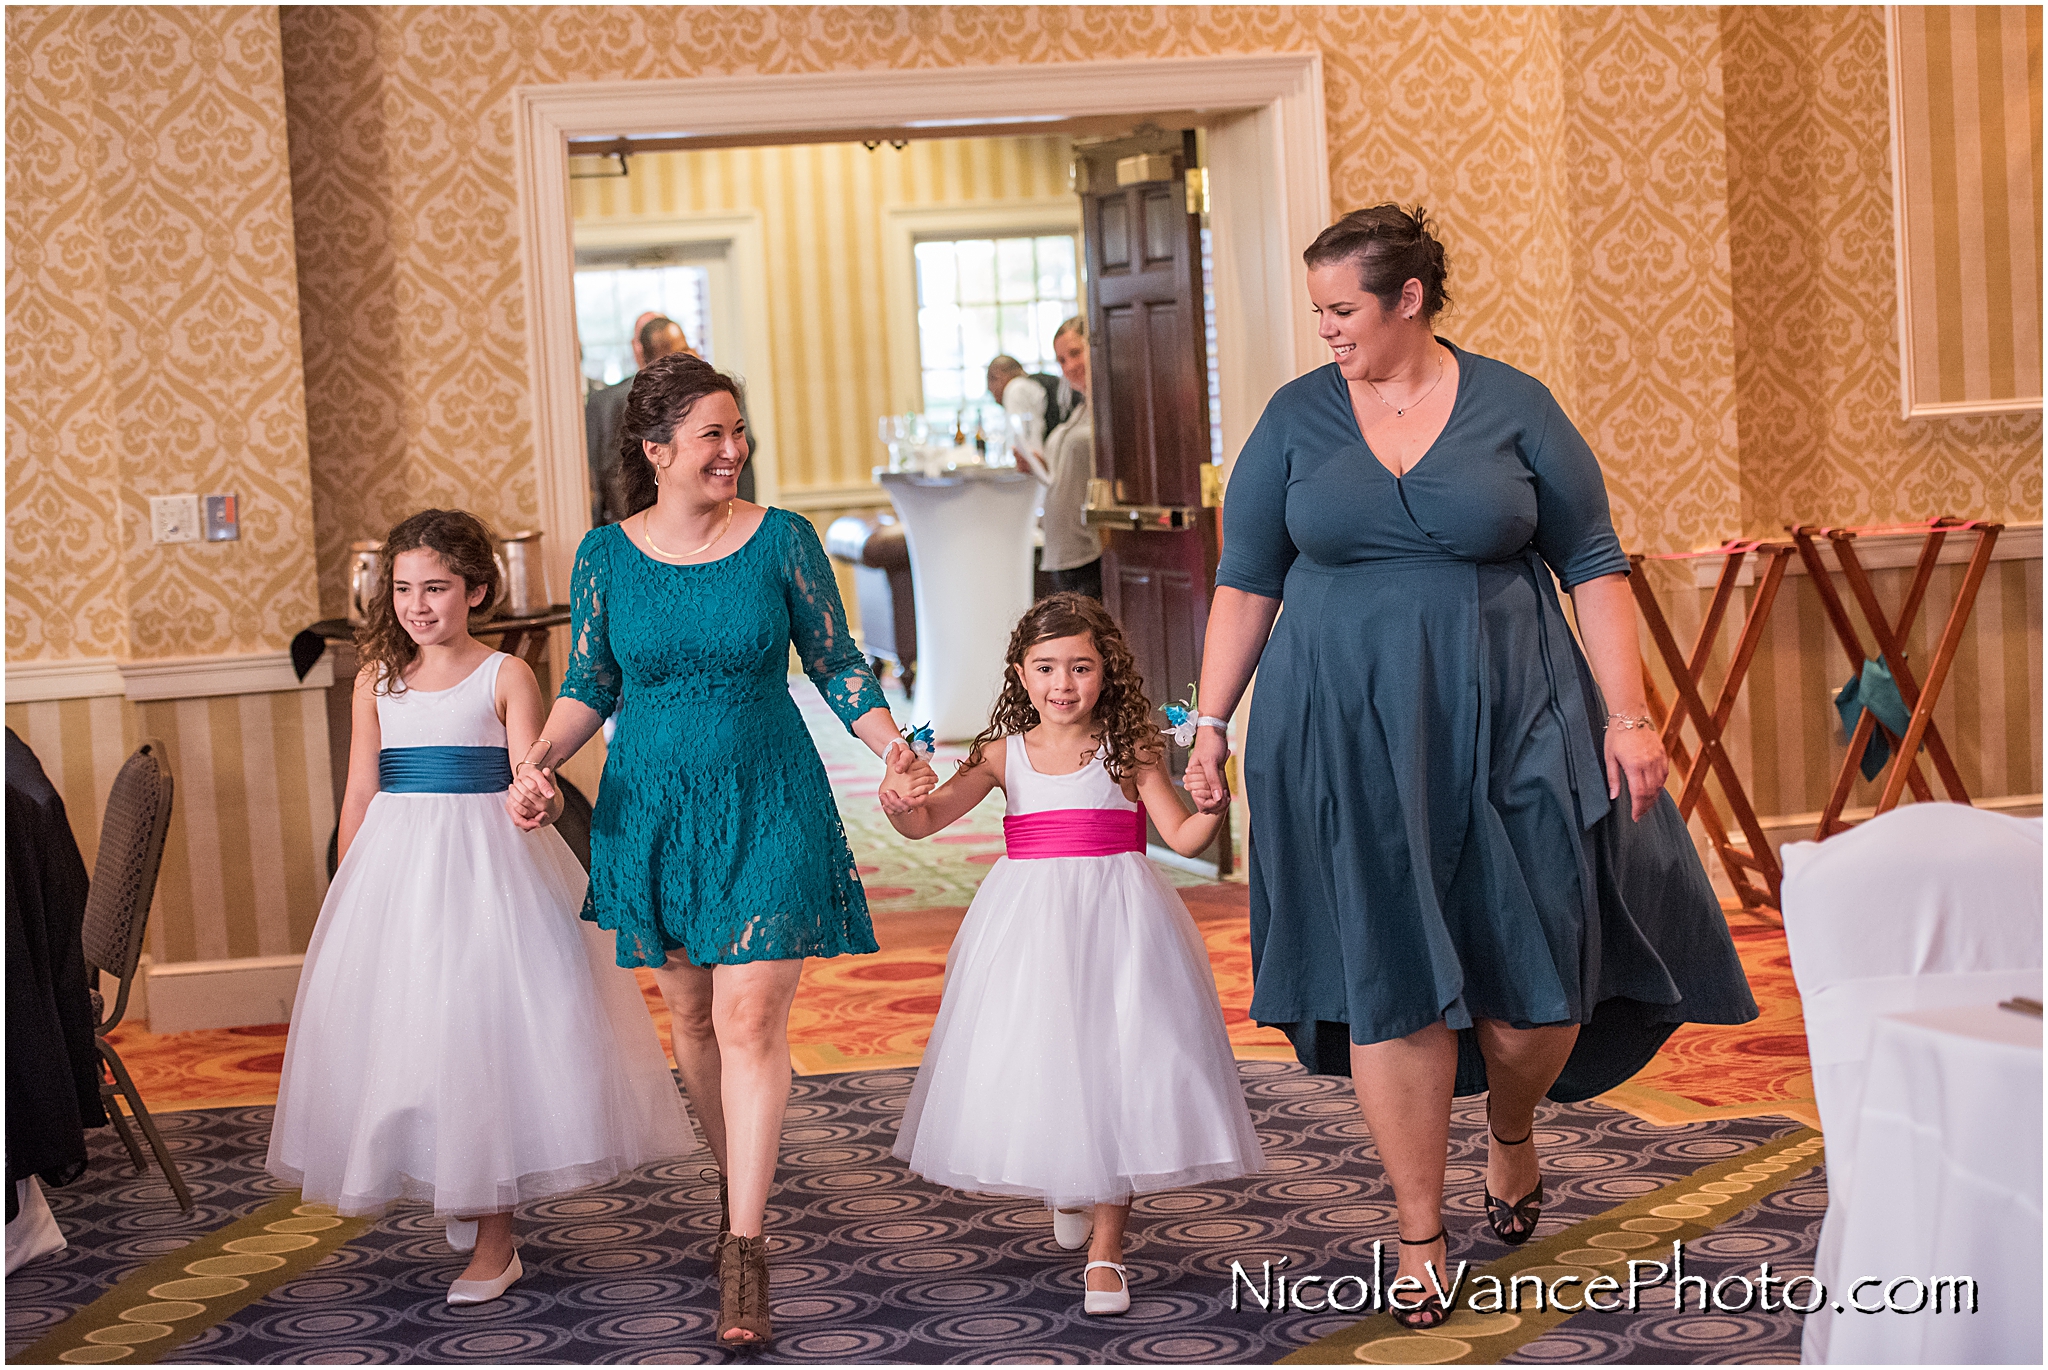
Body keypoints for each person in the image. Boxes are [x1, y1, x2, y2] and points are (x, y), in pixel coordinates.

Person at [1182, 205, 1757, 1328]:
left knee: (1532, 991)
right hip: (1342, 728)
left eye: (1340, 310)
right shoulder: (1295, 418)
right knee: (1392, 978)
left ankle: (1507, 1124)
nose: (1324, 331)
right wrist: (1206, 722)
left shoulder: (1513, 404)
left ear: (1406, 299)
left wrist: (1629, 717)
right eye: (1316, 312)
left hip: (1515, 716)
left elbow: (1590, 561)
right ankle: (1415, 1229)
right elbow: (1246, 577)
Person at [506, 351, 936, 1349]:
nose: (734, 450)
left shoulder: (781, 540)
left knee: (747, 1018)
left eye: (738, 431)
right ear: (656, 448)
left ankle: (742, 1245)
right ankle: (735, 1167)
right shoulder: (604, 554)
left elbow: (835, 662)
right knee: (693, 1016)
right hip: (650, 805)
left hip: (769, 795)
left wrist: (892, 748)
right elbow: (590, 680)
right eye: (712, 434)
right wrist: (536, 759)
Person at [266, 508, 695, 1307]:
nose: (417, 606)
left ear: (477, 591)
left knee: (481, 1041)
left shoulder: (504, 676)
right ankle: (461, 1189)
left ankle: (497, 1241)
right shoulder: (375, 679)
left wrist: (529, 802)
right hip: (397, 875)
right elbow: (361, 791)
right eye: (402, 589)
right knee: (415, 1036)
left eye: (436, 588)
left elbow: (532, 776)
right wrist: (349, 893)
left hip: (486, 873)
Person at [886, 593, 1264, 1316]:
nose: (1064, 684)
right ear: (1021, 675)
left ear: (1106, 673)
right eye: (1047, 667)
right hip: (1027, 924)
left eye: (1081, 668)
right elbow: (926, 822)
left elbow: (1184, 840)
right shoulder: (1001, 755)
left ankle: (1107, 1252)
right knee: (1045, 1056)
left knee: (1116, 1063)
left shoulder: (1130, 751)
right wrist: (903, 804)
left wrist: (1214, 798)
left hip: (1122, 921)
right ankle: (1070, 1178)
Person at [1032, 319, 1104, 599]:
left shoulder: (1106, 409)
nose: (1069, 366)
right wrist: (1036, 464)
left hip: (1091, 550)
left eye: (1075, 353)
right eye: (1061, 360)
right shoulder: (1078, 412)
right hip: (1062, 552)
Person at [987, 353, 1073, 447]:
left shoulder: (1016, 388)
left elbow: (1026, 443)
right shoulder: (1037, 383)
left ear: (998, 374)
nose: (989, 388)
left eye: (991, 379)